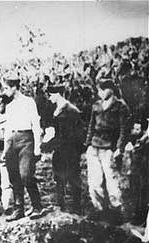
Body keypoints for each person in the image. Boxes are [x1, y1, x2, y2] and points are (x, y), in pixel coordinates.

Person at [85, 78, 129, 224]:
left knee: (112, 181)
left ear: (111, 89)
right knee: (94, 181)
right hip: (95, 146)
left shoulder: (120, 106)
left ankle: (116, 212)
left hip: (109, 148)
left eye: (103, 89)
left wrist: (119, 148)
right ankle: (99, 210)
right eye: (99, 90)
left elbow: (124, 129)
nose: (100, 93)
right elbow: (91, 126)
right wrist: (88, 144)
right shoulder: (96, 106)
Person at [2, 74, 44, 221]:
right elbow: (7, 128)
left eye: (7, 88)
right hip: (11, 141)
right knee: (13, 175)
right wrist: (4, 148)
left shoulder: (29, 102)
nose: (5, 91)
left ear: (15, 87)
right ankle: (18, 208)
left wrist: (37, 147)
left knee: (26, 174)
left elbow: (36, 125)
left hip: (27, 140)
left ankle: (37, 206)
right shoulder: (9, 106)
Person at [43, 85, 85, 213]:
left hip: (70, 149)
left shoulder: (71, 110)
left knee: (73, 177)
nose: (49, 99)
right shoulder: (58, 109)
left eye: (50, 95)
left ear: (57, 94)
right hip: (60, 148)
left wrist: (76, 150)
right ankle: (60, 205)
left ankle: (76, 207)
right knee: (58, 177)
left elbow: (78, 133)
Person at [126, 118, 149, 226]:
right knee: (136, 192)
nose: (135, 131)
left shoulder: (144, 141)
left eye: (137, 129)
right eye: (134, 129)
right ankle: (136, 216)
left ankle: (141, 217)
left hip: (144, 170)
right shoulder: (135, 140)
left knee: (142, 192)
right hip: (137, 170)